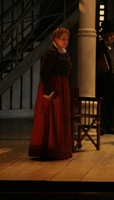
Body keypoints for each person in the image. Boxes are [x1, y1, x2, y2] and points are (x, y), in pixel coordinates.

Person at [28, 28, 72, 159]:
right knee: (52, 117)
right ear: (55, 39)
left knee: (60, 117)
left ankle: (60, 148)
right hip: (53, 87)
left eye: (67, 39)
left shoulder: (63, 53)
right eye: (62, 39)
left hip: (62, 85)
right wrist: (48, 91)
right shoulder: (51, 53)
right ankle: (49, 149)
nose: (65, 42)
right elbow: (44, 72)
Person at [96, 20, 114, 135]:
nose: (112, 36)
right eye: (110, 34)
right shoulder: (99, 46)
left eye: (113, 34)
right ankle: (101, 125)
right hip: (102, 78)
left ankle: (110, 126)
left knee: (112, 102)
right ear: (104, 35)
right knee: (103, 102)